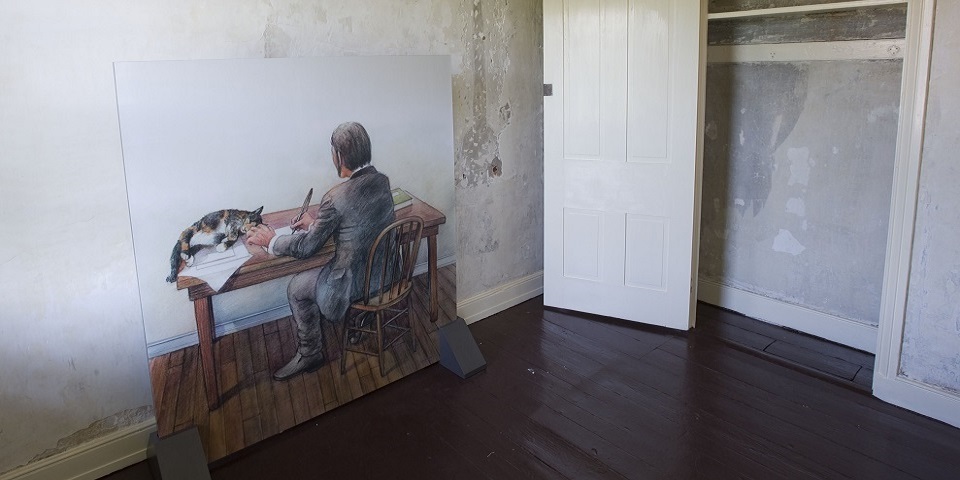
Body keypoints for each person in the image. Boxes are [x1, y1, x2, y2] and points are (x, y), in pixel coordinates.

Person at [247, 122, 395, 380]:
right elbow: (359, 225)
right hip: (386, 276)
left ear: (338, 155)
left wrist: (272, 240)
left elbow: (306, 247)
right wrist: (317, 224)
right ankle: (362, 321)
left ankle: (310, 353)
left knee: (296, 288)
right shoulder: (382, 182)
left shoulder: (335, 196)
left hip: (354, 286)